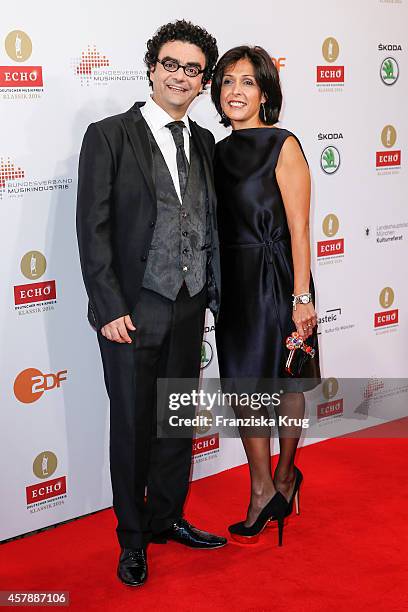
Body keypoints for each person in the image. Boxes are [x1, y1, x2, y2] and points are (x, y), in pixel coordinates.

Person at [76, 20, 226, 588]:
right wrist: (109, 305)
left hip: (188, 306)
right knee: (133, 424)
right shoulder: (110, 134)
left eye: (192, 69)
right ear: (151, 67)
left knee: (175, 421)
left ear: (202, 80)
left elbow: (206, 219)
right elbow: (92, 229)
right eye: (171, 64)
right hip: (133, 309)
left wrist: (211, 293)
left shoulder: (206, 142)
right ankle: (132, 539)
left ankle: (167, 518)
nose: (180, 76)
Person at [211, 46, 321, 546]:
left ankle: (284, 477)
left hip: (278, 279)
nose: (236, 91)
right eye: (228, 81)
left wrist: (301, 297)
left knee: (286, 383)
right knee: (243, 387)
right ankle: (260, 489)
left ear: (265, 93)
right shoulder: (214, 150)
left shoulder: (284, 144)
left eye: (248, 82)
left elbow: (300, 229)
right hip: (234, 283)